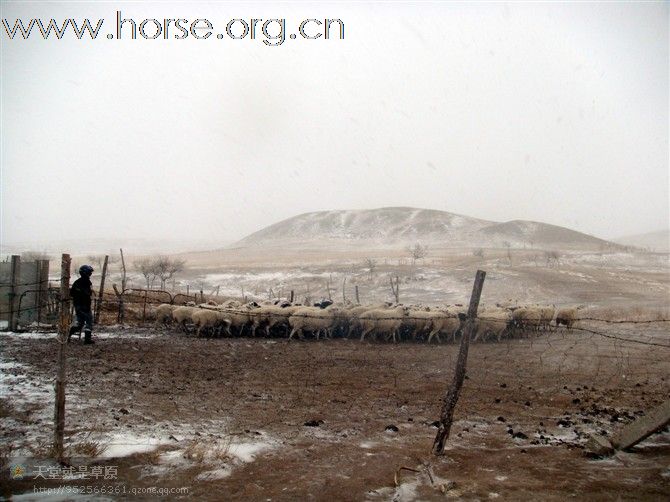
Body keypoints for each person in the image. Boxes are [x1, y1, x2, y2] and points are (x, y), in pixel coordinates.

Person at [69, 265, 95, 344]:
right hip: (85, 305)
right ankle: (87, 339)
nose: (90, 274)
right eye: (89, 272)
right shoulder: (86, 282)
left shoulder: (77, 282)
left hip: (77, 305)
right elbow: (88, 294)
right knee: (89, 321)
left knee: (80, 323)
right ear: (86, 273)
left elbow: (72, 293)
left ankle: (68, 335)